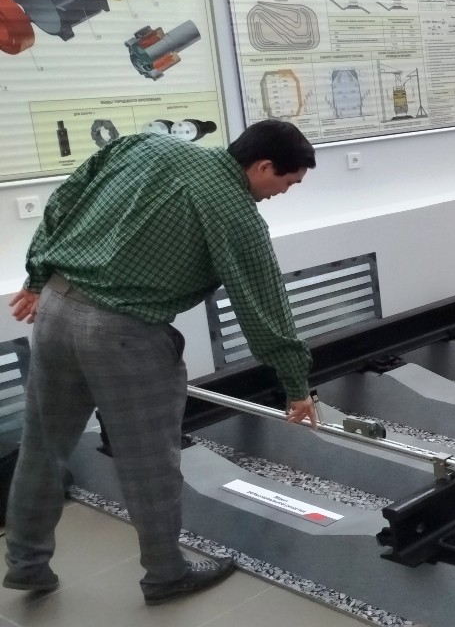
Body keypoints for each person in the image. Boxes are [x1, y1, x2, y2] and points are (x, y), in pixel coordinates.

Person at [4, 121, 318, 605]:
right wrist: (296, 386)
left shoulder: (147, 145)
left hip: (56, 310)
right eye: (287, 182)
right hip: (124, 337)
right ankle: (166, 575)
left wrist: (36, 275)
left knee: (43, 446)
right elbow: (264, 308)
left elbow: (65, 200)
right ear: (263, 167)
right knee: (149, 463)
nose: (284, 193)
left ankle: (26, 563)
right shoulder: (236, 214)